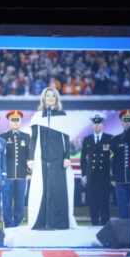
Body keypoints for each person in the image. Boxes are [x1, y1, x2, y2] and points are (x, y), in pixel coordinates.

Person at [27, 87, 77, 230]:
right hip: (43, 159)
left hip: (59, 159)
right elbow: (34, 138)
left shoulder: (62, 115)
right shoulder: (38, 116)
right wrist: (31, 159)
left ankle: (58, 222)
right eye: (47, 95)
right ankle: (42, 222)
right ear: (43, 98)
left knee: (57, 189)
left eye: (52, 96)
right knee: (43, 189)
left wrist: (67, 156)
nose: (50, 98)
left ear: (56, 99)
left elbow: (67, 138)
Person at [1, 109, 31, 227]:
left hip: (22, 174)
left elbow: (30, 157)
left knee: (20, 200)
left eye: (17, 121)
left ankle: (17, 223)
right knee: (6, 200)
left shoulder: (27, 137)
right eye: (13, 121)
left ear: (20, 122)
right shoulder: (3, 137)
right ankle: (8, 223)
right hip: (7, 175)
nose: (15, 123)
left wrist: (29, 172)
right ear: (9, 122)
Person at [80, 114, 112, 226]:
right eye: (95, 123)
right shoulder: (87, 139)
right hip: (91, 175)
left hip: (104, 175)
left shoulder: (109, 138)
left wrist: (112, 176)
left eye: (99, 123)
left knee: (104, 201)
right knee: (92, 201)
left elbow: (112, 159)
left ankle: (105, 225)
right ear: (92, 125)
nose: (97, 125)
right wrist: (84, 174)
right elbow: (83, 159)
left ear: (102, 125)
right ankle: (94, 224)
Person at [111, 108, 130, 219]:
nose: (127, 123)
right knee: (121, 206)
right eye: (125, 120)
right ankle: (122, 229)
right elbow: (113, 161)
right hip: (120, 179)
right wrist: (112, 177)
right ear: (121, 123)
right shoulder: (115, 140)